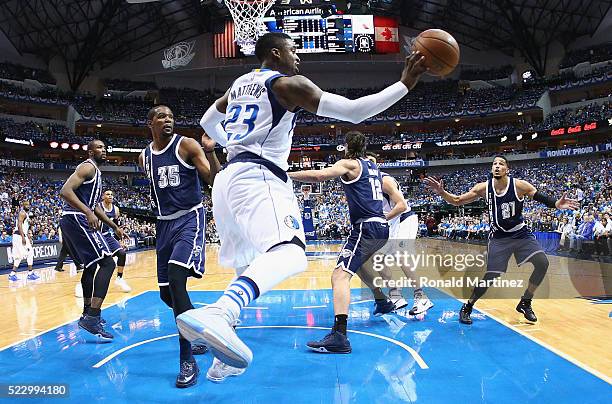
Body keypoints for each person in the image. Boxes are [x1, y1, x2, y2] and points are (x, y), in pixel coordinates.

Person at [176, 32, 426, 375]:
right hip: (259, 175)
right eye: (294, 50)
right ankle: (220, 313)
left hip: (227, 179)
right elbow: (353, 112)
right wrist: (404, 85)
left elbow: (206, 124)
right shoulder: (286, 84)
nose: (299, 58)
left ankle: (224, 357)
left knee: (248, 266)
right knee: (291, 253)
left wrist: (234, 142)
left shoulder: (236, 85)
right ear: (276, 54)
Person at [423, 155, 579, 324]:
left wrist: (556, 204)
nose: (497, 166)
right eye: (494, 164)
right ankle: (468, 306)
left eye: (501, 164)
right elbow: (457, 201)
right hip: (499, 237)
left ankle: (526, 301)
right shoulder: (483, 188)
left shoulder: (519, 185)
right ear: (492, 169)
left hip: (520, 234)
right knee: (491, 276)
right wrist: (442, 192)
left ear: (507, 169)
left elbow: (539, 196)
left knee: (542, 263)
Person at [139, 105, 220, 388]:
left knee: (176, 282)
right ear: (150, 123)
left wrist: (210, 151)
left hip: (190, 218)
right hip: (163, 225)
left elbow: (212, 178)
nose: (168, 120)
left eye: (171, 116)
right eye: (162, 117)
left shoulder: (186, 145)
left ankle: (187, 360)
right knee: (166, 295)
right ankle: (206, 326)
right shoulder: (144, 157)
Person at [290, 131, 390, 353]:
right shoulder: (372, 166)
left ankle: (340, 335)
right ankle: (382, 301)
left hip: (366, 226)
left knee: (340, 275)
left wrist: (288, 174)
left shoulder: (349, 164)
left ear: (346, 146)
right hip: (382, 226)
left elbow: (318, 176)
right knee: (361, 267)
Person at [59, 139, 127, 340]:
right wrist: (88, 212)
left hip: (76, 219)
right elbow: (65, 191)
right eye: (99, 147)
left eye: (105, 147)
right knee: (107, 264)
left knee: (91, 267)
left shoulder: (96, 173)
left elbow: (95, 205)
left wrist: (114, 226)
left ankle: (87, 312)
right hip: (75, 218)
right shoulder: (87, 167)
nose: (103, 150)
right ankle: (92, 317)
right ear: (90, 152)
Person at [366, 153, 434, 316]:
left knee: (401, 255)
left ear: (377, 165)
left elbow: (402, 206)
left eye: (371, 163)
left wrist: (381, 219)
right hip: (391, 223)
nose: (368, 166)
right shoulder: (365, 185)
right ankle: (396, 296)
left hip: (405, 219)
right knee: (378, 258)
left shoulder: (385, 181)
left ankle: (422, 297)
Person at [99, 190, 131, 292]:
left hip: (107, 236)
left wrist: (120, 239)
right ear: (103, 196)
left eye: (112, 194)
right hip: (97, 236)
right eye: (108, 194)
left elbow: (116, 227)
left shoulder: (116, 209)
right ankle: (81, 284)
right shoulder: (98, 207)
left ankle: (119, 278)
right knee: (95, 262)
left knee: (122, 253)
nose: (110, 196)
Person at [8, 201, 38, 282]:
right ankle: (30, 273)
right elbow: (19, 225)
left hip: (21, 235)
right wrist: (23, 237)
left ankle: (12, 274)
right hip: (19, 236)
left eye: (28, 205)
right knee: (30, 253)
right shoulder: (22, 213)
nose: (28, 206)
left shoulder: (27, 214)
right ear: (23, 206)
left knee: (19, 256)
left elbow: (27, 226)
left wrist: (27, 236)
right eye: (26, 205)